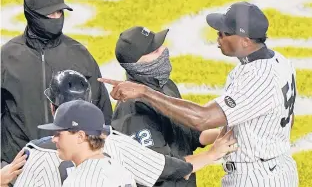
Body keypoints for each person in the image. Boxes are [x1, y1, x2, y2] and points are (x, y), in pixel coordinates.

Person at [99, 1, 299, 187]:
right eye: (155, 50)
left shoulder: (255, 78)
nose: (218, 37)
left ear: (245, 41)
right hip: (276, 167)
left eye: (224, 33)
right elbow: (157, 167)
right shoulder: (279, 63)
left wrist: (144, 92)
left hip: (257, 176)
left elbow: (202, 119)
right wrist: (223, 145)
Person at [14, 70, 237, 187]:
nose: (54, 138)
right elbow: (170, 169)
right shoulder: (118, 145)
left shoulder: (36, 155)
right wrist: (212, 154)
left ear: (53, 107)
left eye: (58, 132)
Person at [1, 0, 112, 165]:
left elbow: (102, 112)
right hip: (21, 166)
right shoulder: (7, 58)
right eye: (49, 13)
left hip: (73, 164)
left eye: (59, 12)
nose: (56, 17)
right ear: (31, 14)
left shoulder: (80, 54)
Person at [111, 26, 221, 186]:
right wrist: (211, 154)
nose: (164, 50)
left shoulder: (165, 86)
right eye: (155, 51)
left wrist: (228, 134)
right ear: (136, 65)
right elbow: (160, 169)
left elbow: (191, 135)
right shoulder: (134, 111)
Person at [37, 100, 136, 187]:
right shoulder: (119, 170)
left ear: (80, 136)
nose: (54, 139)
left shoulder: (79, 181)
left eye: (59, 134)